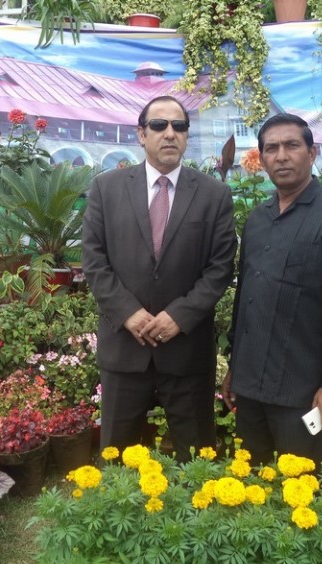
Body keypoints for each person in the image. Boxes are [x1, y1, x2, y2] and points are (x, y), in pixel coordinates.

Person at [82, 95, 237, 461]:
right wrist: (128, 313)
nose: (170, 133)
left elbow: (220, 267)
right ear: (142, 134)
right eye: (159, 125)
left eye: (179, 126)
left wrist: (178, 317)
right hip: (125, 349)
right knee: (117, 461)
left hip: (186, 352)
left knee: (197, 462)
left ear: (186, 135)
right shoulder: (107, 188)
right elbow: (94, 259)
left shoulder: (214, 195)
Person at [222, 113, 322, 466]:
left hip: (305, 392)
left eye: (291, 145)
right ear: (262, 159)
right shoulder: (258, 219)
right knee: (250, 480)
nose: (281, 156)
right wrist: (235, 366)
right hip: (251, 386)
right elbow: (246, 299)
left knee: (304, 485)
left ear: (312, 153)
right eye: (271, 148)